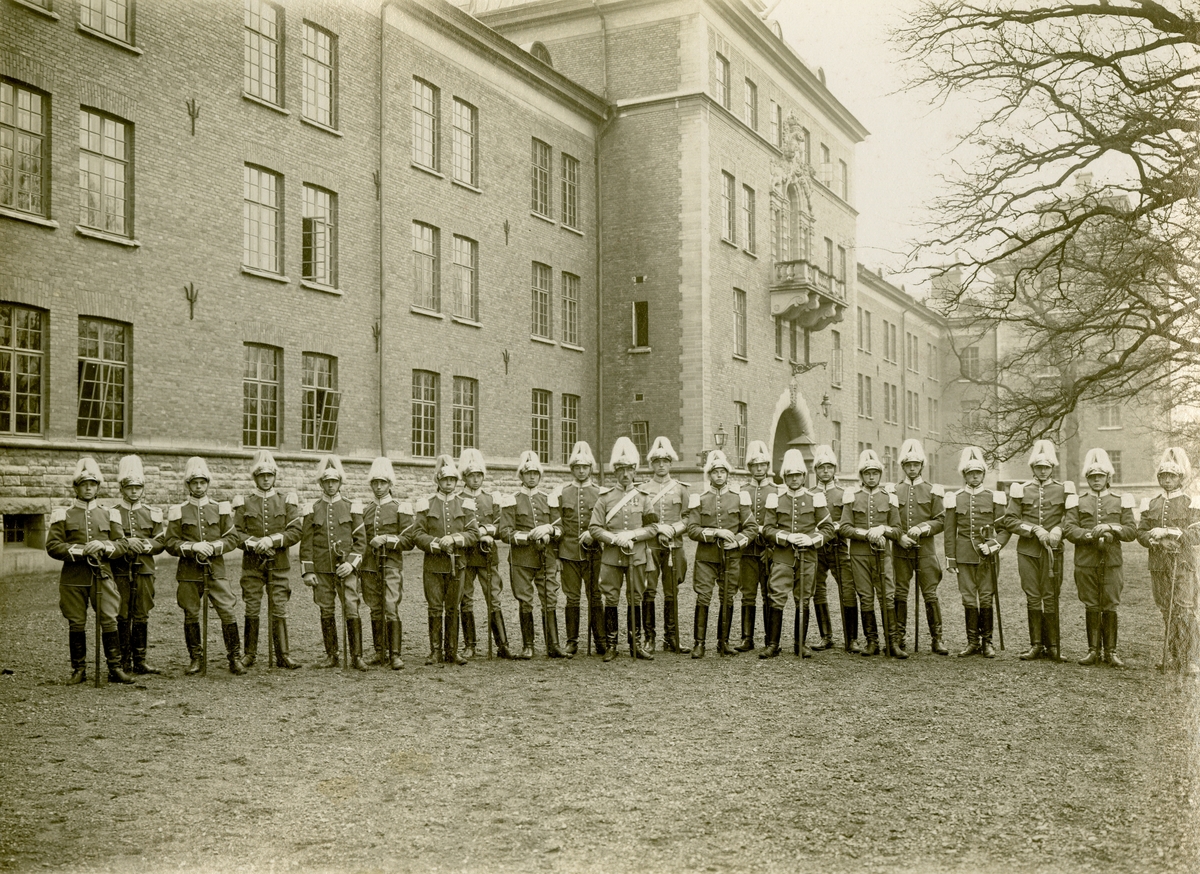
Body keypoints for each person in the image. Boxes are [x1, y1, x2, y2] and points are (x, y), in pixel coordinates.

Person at [46, 457, 132, 685]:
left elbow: (122, 544)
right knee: (76, 622)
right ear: (76, 487)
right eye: (83, 484)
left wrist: (104, 545)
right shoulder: (62, 515)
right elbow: (53, 546)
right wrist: (82, 551)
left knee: (109, 620)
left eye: (92, 484)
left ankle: (115, 667)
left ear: (98, 488)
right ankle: (79, 669)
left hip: (102, 575)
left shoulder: (110, 514)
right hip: (73, 578)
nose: (88, 488)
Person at [165, 457, 244, 675]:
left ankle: (234, 657)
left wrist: (214, 546)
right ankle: (196, 658)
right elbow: (170, 543)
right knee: (191, 613)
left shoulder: (220, 509)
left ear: (208, 483)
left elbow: (232, 538)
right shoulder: (178, 511)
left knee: (227, 611)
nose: (199, 486)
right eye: (194, 483)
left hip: (215, 570)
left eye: (202, 482)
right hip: (189, 572)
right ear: (188, 485)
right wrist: (193, 547)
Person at [588, 437, 660, 662]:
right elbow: (594, 528)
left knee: (635, 598)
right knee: (611, 598)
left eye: (629, 469)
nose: (625, 474)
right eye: (620, 470)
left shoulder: (644, 498)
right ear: (614, 472)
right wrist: (613, 539)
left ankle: (635, 644)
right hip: (611, 556)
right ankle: (611, 645)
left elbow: (653, 527)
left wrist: (633, 535)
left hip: (637, 556)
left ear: (635, 471)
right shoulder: (605, 498)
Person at [1064, 448, 1137, 667]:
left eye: (1100, 476)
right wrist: (1089, 534)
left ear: (1108, 478)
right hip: (1086, 561)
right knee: (1091, 604)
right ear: (1087, 478)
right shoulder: (1077, 501)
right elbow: (1069, 529)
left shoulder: (1120, 500)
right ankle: (1093, 650)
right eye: (1092, 477)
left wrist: (1111, 527)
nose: (1096, 480)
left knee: (1110, 604)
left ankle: (1111, 651)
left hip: (1112, 561)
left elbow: (1131, 531)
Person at [760, 449, 836, 658]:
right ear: (784, 477)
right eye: (790, 475)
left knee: (803, 598)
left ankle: (799, 643)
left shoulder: (815, 499)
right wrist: (786, 537)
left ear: (804, 476)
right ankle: (773, 644)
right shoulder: (776, 499)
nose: (794, 479)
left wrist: (811, 538)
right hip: (783, 556)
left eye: (798, 475)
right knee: (776, 595)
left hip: (808, 555)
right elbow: (767, 529)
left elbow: (828, 529)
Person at [231, 450, 303, 670]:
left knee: (278, 607)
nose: (265, 479)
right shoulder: (244, 502)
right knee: (252, 607)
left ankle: (283, 654)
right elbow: (236, 534)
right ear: (255, 477)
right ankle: (249, 654)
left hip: (279, 564)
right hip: (252, 565)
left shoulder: (286, 501)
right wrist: (255, 543)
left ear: (274, 476)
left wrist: (271, 541)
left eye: (269, 475)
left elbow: (295, 531)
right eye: (261, 475)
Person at [1001, 440, 1071, 662]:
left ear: (1052, 468)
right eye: (1038, 467)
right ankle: (1036, 645)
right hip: (1028, 551)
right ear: (1033, 468)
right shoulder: (1021, 490)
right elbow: (1010, 520)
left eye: (1047, 467)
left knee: (1051, 596)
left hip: (1054, 550)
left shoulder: (1063, 489)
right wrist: (1034, 530)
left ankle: (1052, 646)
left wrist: (1059, 530)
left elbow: (1071, 517)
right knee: (1033, 596)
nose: (1042, 471)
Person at [299, 455, 368, 671]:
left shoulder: (352, 507)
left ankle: (357, 655)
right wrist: (308, 571)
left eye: (334, 481)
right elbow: (306, 543)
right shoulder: (312, 509)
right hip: (321, 570)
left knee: (351, 606)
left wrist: (352, 564)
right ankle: (332, 655)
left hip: (346, 569)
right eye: (326, 481)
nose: (330, 485)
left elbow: (360, 540)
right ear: (321, 483)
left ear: (340, 483)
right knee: (326, 609)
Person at [684, 449, 756, 657]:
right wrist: (716, 532)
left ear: (727, 474)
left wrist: (736, 543)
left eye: (722, 472)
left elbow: (751, 528)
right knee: (704, 597)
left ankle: (723, 642)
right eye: (715, 472)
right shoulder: (700, 499)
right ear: (709, 475)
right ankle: (699, 643)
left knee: (728, 597)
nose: (719, 475)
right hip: (707, 558)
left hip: (731, 557)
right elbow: (692, 529)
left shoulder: (739, 498)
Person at [1137, 448, 1200, 673]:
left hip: (1183, 564)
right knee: (1167, 611)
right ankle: (1174, 657)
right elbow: (1141, 532)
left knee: (1185, 610)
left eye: (1172, 476)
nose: (1167, 480)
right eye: (1163, 476)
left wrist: (1169, 533)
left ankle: (1190, 658)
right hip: (1158, 565)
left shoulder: (1191, 502)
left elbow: (1196, 533)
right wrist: (1154, 541)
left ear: (1180, 478)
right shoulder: (1151, 503)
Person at [943, 447, 1010, 659]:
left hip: (987, 557)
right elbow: (949, 531)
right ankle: (972, 641)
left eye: (978, 473)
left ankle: (987, 642)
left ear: (983, 474)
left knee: (987, 597)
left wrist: (993, 545)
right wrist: (951, 558)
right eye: (970, 473)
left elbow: (1005, 528)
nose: (974, 476)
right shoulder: (955, 498)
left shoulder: (995, 497)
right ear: (964, 474)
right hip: (964, 556)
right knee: (968, 598)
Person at [413, 455, 479, 666]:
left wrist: (455, 539)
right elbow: (417, 534)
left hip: (457, 563)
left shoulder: (465, 505)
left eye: (452, 479)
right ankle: (435, 651)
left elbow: (473, 533)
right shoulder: (426, 504)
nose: (449, 483)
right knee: (434, 607)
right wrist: (436, 543)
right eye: (445, 480)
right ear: (438, 481)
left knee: (453, 607)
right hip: (433, 564)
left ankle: (452, 650)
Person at [840, 450, 904, 658]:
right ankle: (872, 641)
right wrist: (866, 534)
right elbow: (845, 528)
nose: (871, 477)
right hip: (859, 555)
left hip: (883, 554)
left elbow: (897, 530)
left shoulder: (890, 498)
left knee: (887, 597)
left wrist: (883, 529)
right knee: (866, 598)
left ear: (880, 475)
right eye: (867, 473)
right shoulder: (852, 498)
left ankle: (892, 642)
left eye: (875, 473)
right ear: (862, 475)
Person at [499, 451, 564, 659]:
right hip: (521, 558)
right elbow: (504, 532)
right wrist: (528, 537)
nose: (532, 477)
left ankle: (553, 645)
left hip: (546, 557)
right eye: (528, 473)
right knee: (525, 600)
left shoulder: (549, 499)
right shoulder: (512, 500)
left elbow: (560, 527)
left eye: (536, 473)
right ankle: (528, 646)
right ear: (521, 476)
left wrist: (549, 531)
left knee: (550, 599)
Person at [110, 454, 165, 675]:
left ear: (143, 489)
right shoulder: (112, 512)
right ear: (122, 489)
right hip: (121, 571)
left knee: (141, 613)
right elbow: (110, 540)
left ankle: (140, 660)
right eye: (129, 487)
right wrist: (125, 544)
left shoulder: (153, 513)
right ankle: (123, 661)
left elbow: (161, 541)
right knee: (122, 613)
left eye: (137, 488)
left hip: (144, 570)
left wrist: (143, 545)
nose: (133, 491)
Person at [891, 439, 948, 655]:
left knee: (930, 593)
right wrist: (899, 538)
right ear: (903, 466)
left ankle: (937, 638)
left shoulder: (933, 491)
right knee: (900, 593)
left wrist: (923, 528)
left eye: (916, 464)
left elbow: (942, 520)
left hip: (925, 550)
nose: (912, 468)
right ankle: (898, 637)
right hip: (900, 550)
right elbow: (889, 520)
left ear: (922, 465)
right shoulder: (894, 491)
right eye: (908, 464)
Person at [550, 442, 603, 656]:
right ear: (572, 469)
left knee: (596, 596)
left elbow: (605, 522)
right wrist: (556, 557)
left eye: (585, 467)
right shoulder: (561, 492)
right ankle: (572, 641)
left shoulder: (601, 493)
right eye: (577, 467)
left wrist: (594, 534)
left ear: (591, 469)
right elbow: (556, 526)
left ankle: (600, 640)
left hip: (595, 553)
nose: (581, 470)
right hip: (568, 553)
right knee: (572, 598)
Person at [361, 456, 414, 670]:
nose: (379, 487)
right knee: (374, 608)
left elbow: (409, 540)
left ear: (390, 484)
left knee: (390, 606)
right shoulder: (364, 510)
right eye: (375, 483)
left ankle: (395, 654)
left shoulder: (401, 508)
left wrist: (386, 539)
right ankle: (379, 651)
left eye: (383, 482)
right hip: (369, 566)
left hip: (391, 564)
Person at [640, 436, 690, 654]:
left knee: (671, 592)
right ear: (652, 464)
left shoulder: (680, 488)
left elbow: (689, 518)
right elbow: (639, 517)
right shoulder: (642, 489)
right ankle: (649, 638)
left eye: (665, 461)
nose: (661, 465)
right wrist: (658, 528)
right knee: (648, 591)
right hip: (650, 546)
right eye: (657, 461)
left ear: (671, 463)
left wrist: (674, 529)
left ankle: (672, 637)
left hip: (673, 546)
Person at [458, 448, 509, 659]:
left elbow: (500, 525)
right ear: (465, 477)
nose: (476, 480)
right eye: (472, 476)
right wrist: (478, 535)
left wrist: (486, 533)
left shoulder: (492, 499)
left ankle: (502, 644)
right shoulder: (458, 499)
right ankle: (470, 644)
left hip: (488, 555)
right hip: (466, 555)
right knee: (465, 598)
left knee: (494, 597)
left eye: (479, 476)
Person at [811, 444, 860, 653]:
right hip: (816, 548)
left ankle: (852, 639)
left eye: (829, 467)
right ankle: (826, 636)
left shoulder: (844, 494)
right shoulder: (809, 493)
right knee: (817, 590)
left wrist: (837, 527)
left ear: (834, 470)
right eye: (821, 468)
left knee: (847, 589)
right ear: (815, 471)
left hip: (839, 547)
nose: (825, 471)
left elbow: (852, 520)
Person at [737, 440, 776, 652]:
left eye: (762, 465)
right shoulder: (741, 490)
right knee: (748, 593)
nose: (759, 469)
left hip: (768, 550)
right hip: (747, 550)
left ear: (767, 467)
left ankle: (771, 638)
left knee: (769, 593)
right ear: (749, 468)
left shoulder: (777, 490)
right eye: (755, 465)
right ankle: (747, 638)